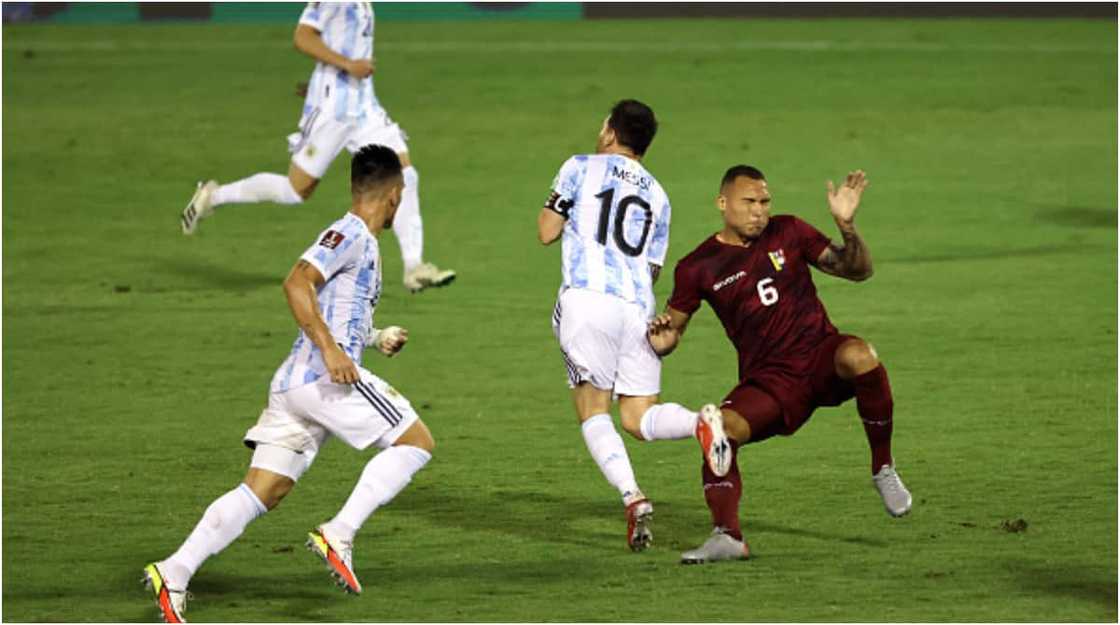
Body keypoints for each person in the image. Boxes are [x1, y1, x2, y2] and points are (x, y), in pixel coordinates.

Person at [145, 145, 436, 623]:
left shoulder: (361, 241)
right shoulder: (349, 234)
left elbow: (337, 310)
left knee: (264, 490)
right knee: (415, 442)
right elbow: (296, 283)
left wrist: (375, 336)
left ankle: (174, 570)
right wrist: (331, 350)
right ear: (395, 196)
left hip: (297, 385)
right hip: (325, 377)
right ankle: (339, 532)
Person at [647, 166, 912, 564]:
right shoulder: (697, 267)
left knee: (860, 355)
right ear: (723, 204)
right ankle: (727, 535)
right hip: (770, 381)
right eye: (748, 202)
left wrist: (847, 226)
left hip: (820, 356)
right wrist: (659, 337)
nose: (759, 211)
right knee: (719, 429)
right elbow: (672, 335)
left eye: (764, 202)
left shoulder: (788, 231)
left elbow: (857, 271)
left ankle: (883, 467)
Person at [537, 100, 731, 552]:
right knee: (638, 416)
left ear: (609, 132)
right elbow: (652, 270)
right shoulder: (659, 196)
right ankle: (698, 425)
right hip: (637, 309)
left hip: (588, 300)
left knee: (593, 410)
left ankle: (633, 496)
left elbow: (547, 230)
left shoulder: (579, 166)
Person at [179, 2, 455, 294]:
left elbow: (342, 41)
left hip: (364, 106)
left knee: (404, 175)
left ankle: (414, 267)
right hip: (333, 109)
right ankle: (213, 196)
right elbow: (303, 36)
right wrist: (347, 67)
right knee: (296, 191)